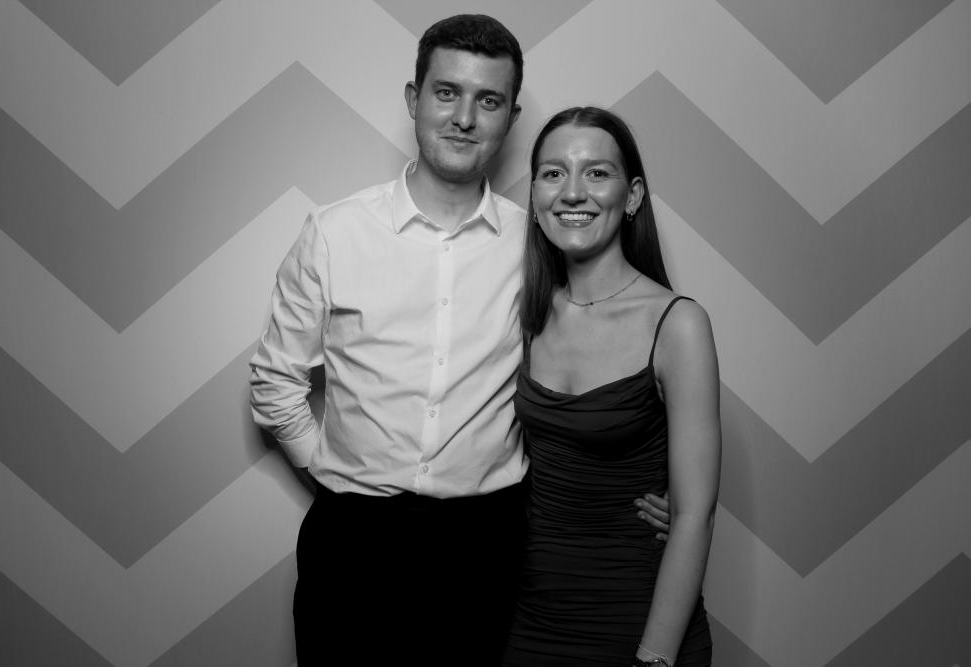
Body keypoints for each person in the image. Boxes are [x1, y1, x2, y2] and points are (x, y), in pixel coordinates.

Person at [249, 15, 670, 666]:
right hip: (351, 543)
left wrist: (643, 492)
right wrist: (333, 480)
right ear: (414, 100)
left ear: (511, 118)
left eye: (489, 100)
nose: (465, 118)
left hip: (486, 545)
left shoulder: (541, 243)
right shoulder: (334, 234)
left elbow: (603, 361)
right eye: (447, 93)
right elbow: (275, 383)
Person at [501, 107, 720, 667]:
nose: (573, 192)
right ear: (535, 196)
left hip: (639, 621)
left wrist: (654, 659)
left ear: (633, 196)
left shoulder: (678, 324)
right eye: (553, 173)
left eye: (597, 173)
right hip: (531, 622)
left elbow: (693, 515)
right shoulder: (525, 314)